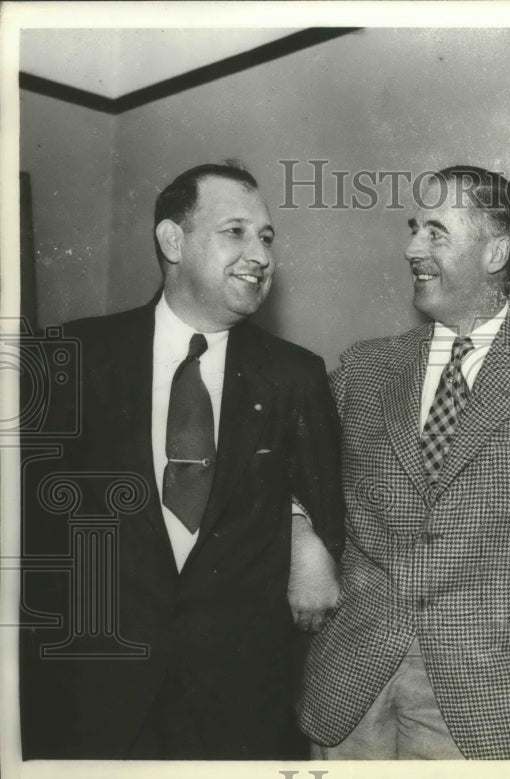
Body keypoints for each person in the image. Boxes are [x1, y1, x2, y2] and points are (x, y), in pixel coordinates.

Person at [19, 161, 344, 759]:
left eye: (267, 237)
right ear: (173, 240)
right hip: (91, 704)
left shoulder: (296, 376)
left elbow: (324, 509)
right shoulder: (71, 357)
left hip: (237, 715)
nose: (260, 255)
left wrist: (301, 529)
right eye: (236, 231)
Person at [297, 165, 510, 759]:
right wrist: (301, 537)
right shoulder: (365, 368)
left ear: (496, 251)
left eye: (436, 232)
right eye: (415, 228)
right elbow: (288, 467)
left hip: (490, 701)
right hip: (350, 690)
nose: (412, 247)